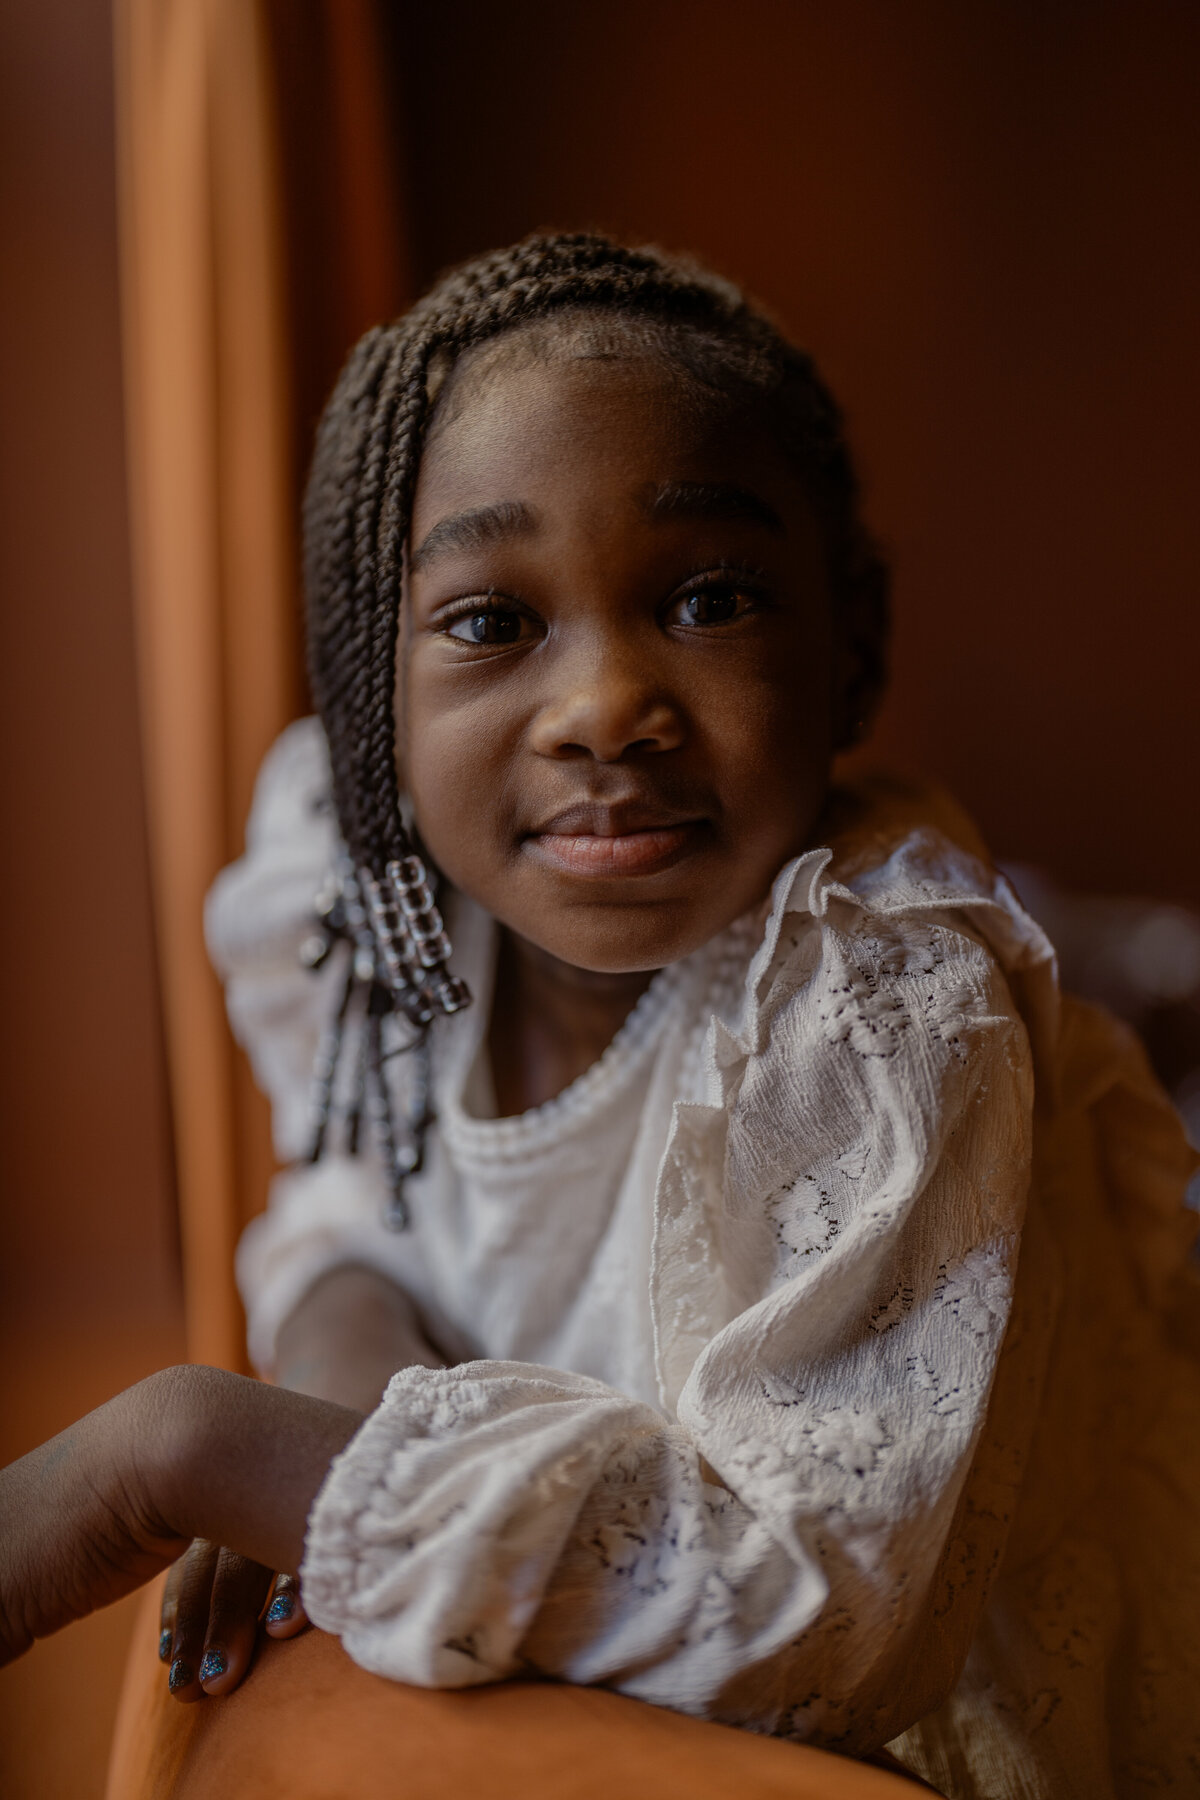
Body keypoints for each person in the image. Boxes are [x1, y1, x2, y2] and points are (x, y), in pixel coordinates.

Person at [2, 234, 1198, 1798]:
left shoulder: (879, 1005)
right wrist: (353, 1415)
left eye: (706, 598)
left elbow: (817, 1620)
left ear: (855, 644)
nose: (602, 707)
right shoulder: (367, 896)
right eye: (493, 623)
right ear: (377, 689)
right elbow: (351, 1202)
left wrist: (191, 1450)